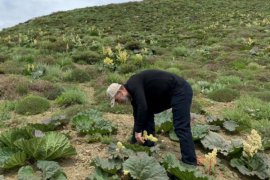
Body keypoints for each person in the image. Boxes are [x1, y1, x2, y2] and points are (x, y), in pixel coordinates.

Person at [106, 69, 197, 166]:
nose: (118, 103)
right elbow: (137, 114)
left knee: (181, 127)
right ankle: (148, 144)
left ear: (120, 91)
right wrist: (133, 141)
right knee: (146, 113)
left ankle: (190, 162)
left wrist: (138, 131)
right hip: (169, 95)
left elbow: (142, 107)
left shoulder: (133, 83)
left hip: (180, 91)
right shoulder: (133, 93)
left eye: (116, 100)